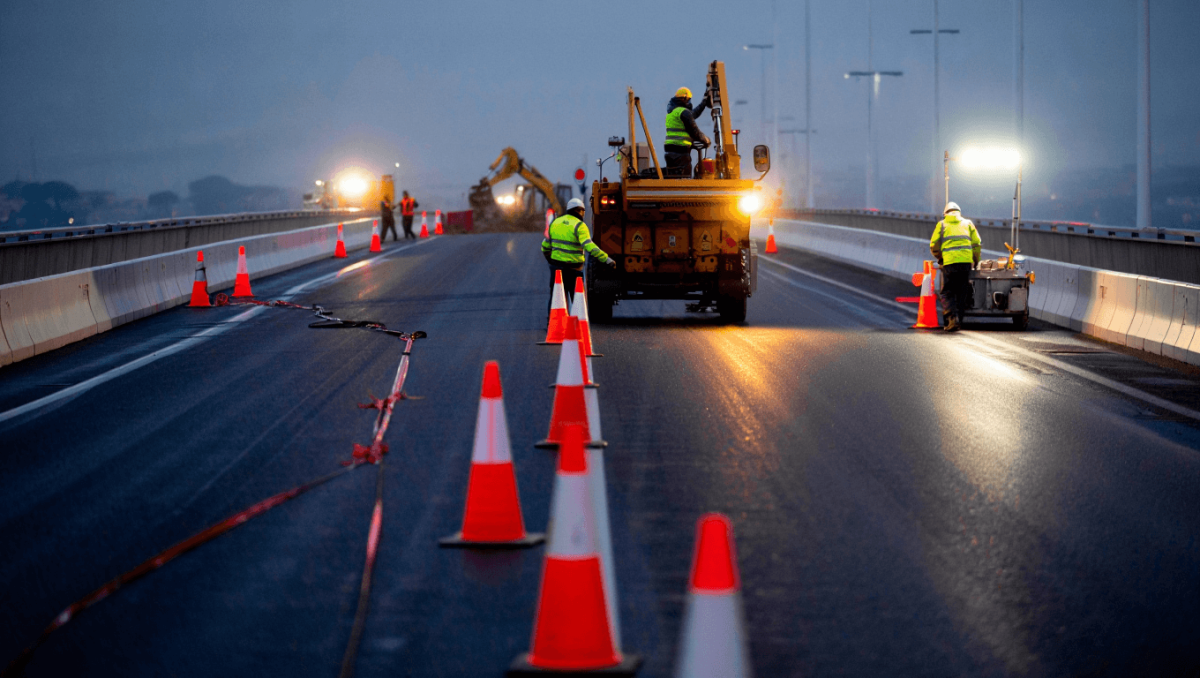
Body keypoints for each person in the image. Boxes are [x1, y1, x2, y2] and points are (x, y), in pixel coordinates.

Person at [541, 197, 616, 323]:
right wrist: (607, 259)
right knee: (577, 298)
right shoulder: (580, 226)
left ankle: (552, 323)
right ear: (581, 211)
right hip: (574, 269)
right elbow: (589, 246)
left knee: (556, 295)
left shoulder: (556, 223)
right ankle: (578, 325)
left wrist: (550, 260)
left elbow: (545, 246)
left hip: (556, 268)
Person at [929, 201, 982, 332]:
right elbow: (977, 243)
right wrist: (975, 260)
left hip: (949, 264)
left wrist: (940, 257)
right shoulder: (968, 223)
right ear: (959, 212)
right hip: (965, 263)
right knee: (962, 291)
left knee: (948, 291)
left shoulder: (941, 225)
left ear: (945, 214)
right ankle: (961, 320)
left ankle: (951, 320)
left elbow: (934, 245)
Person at [663, 86, 712, 178]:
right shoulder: (683, 112)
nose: (690, 102)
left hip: (670, 152)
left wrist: (703, 103)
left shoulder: (672, 113)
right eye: (689, 100)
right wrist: (706, 140)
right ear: (684, 99)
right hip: (681, 153)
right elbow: (694, 131)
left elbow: (692, 114)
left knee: (674, 179)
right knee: (684, 178)